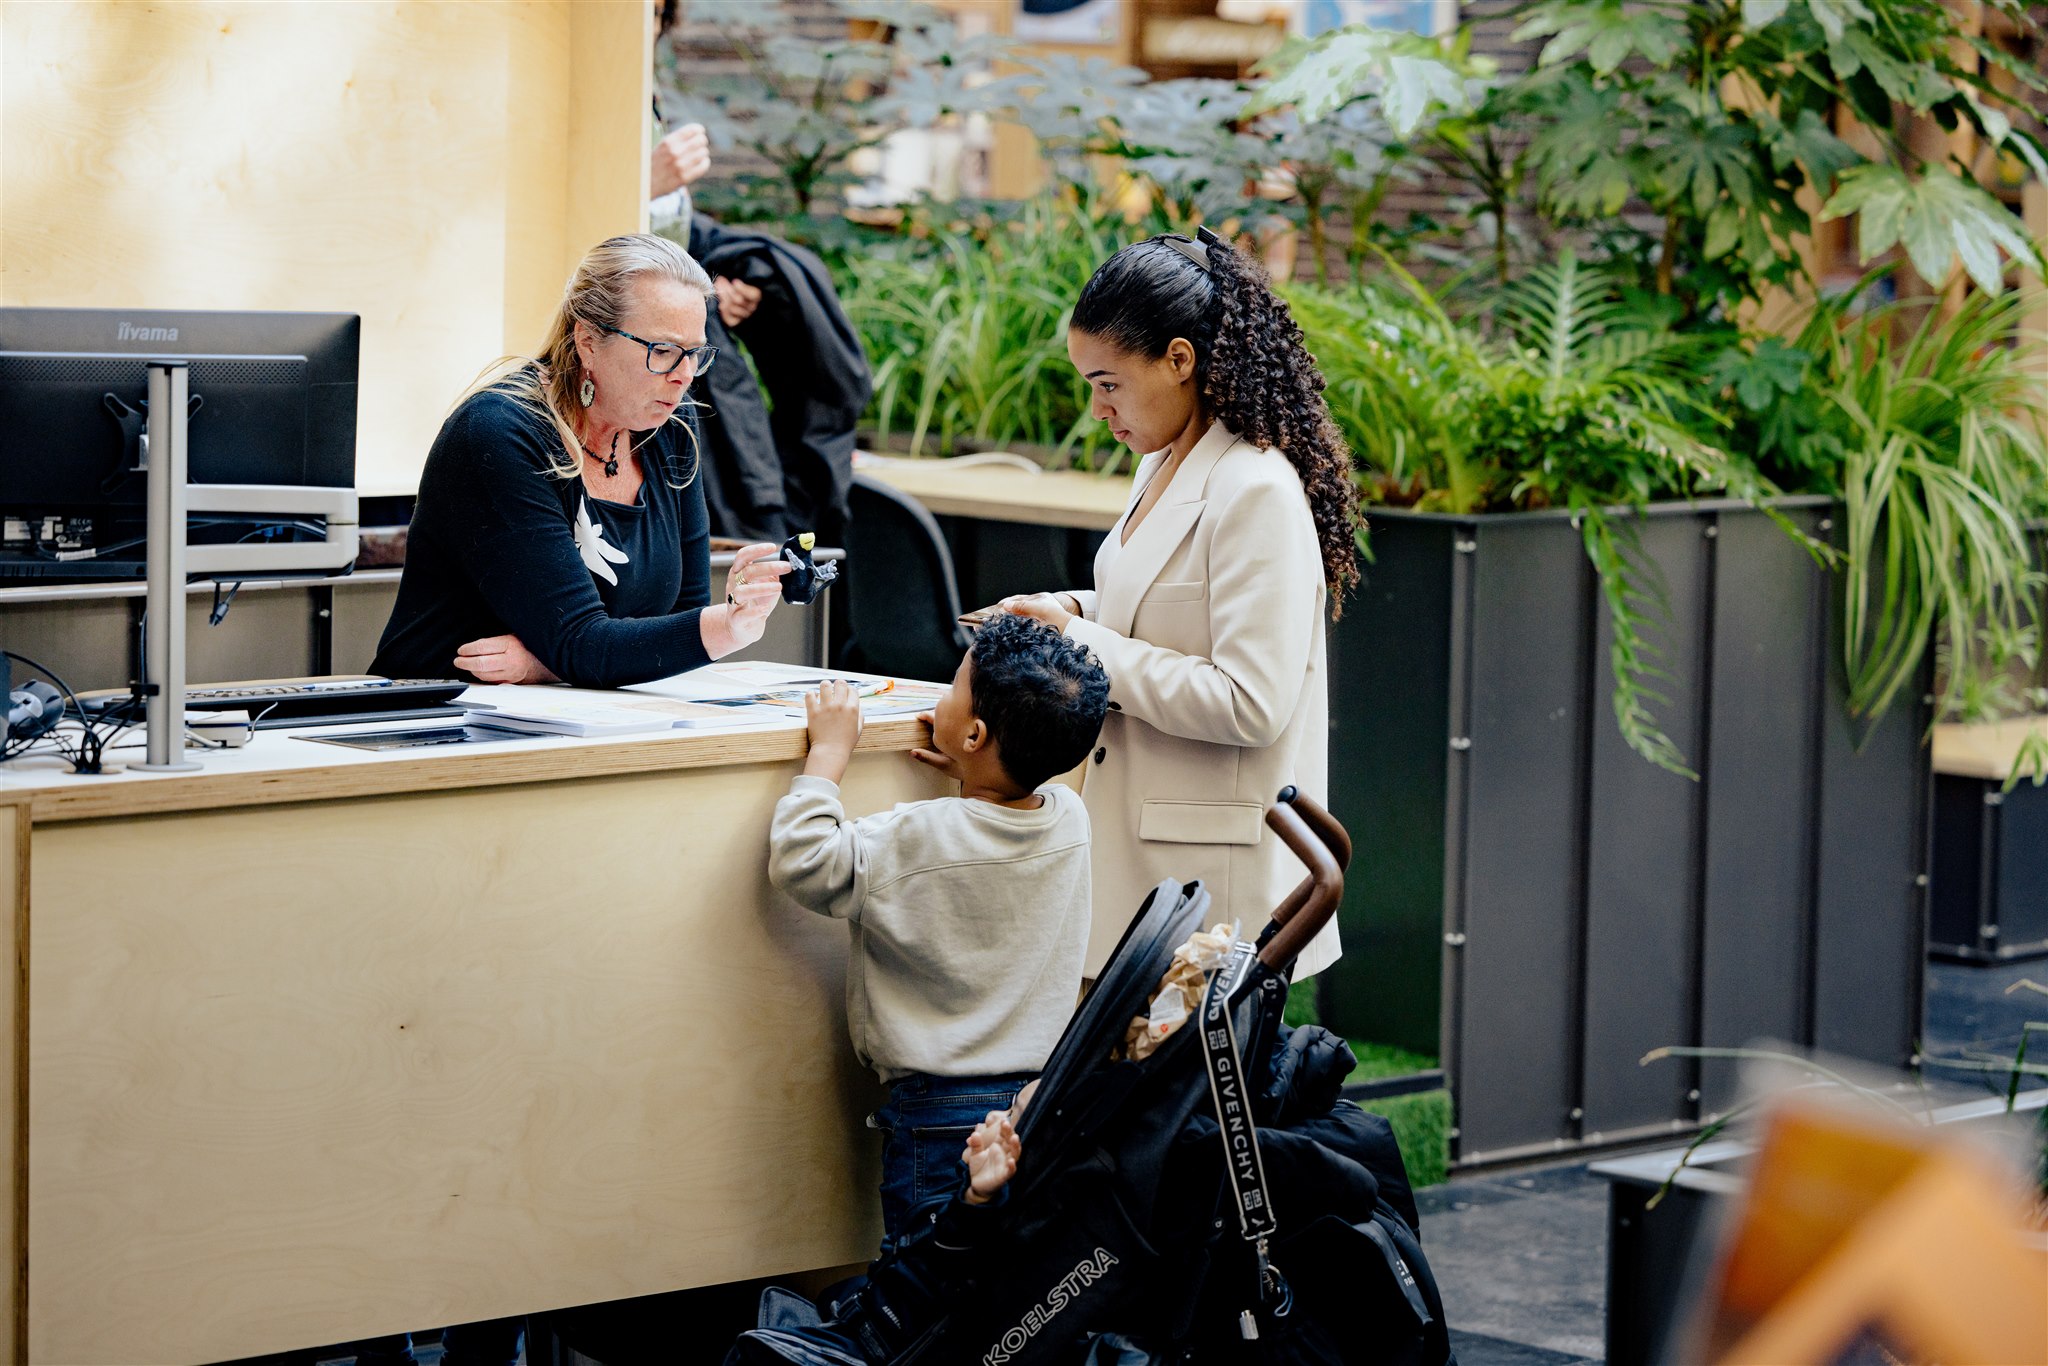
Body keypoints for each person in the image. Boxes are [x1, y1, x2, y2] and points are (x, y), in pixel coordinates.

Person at [994, 227, 1363, 980]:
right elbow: (1163, 609)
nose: (1097, 409)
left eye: (1107, 383)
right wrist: (1068, 611)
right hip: (1147, 856)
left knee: (1175, 1099)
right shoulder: (1163, 460)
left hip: (1210, 883)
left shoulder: (1254, 489)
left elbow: (1250, 702)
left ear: (1180, 361)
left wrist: (1083, 642)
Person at [767, 615, 1107, 1254]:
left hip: (939, 1119)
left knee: (926, 1287)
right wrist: (971, 769)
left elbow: (803, 861)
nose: (939, 697)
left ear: (976, 733)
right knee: (1002, 1288)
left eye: (952, 686)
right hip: (1039, 1104)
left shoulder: (912, 837)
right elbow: (990, 827)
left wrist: (829, 755)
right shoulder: (1072, 821)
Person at [370, 233, 790, 687]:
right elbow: (581, 642)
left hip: (582, 716)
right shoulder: (498, 434)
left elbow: (677, 620)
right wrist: (725, 627)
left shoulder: (671, 424)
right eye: (663, 352)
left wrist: (544, 663)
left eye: (695, 354)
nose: (683, 377)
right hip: (441, 721)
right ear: (589, 341)